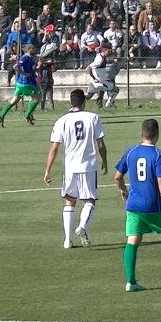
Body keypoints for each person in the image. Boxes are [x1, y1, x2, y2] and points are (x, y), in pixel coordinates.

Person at [114, 119, 161, 292]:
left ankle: (130, 282)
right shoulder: (158, 154)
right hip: (153, 205)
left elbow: (117, 176)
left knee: (133, 240)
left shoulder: (131, 151)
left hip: (133, 206)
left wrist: (123, 190)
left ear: (142, 134)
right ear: (157, 135)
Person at [44, 89, 108, 249]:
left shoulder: (62, 120)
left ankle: (67, 240)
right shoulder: (93, 117)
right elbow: (100, 143)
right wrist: (104, 160)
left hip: (70, 167)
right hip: (88, 166)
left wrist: (48, 170)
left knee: (69, 200)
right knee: (90, 200)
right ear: (84, 102)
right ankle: (82, 227)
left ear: (71, 102)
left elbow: (54, 148)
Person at [0, 44, 41, 127]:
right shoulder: (25, 58)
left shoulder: (31, 58)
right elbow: (16, 67)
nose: (34, 50)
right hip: (26, 83)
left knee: (14, 100)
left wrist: (38, 67)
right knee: (37, 97)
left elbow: (32, 70)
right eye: (33, 48)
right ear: (29, 49)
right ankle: (27, 115)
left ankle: (1, 115)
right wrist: (24, 74)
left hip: (21, 83)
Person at [85, 42, 123, 109]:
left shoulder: (100, 55)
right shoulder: (100, 60)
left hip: (98, 82)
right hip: (100, 82)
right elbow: (88, 68)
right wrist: (94, 78)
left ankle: (75, 103)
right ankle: (108, 105)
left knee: (88, 96)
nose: (109, 52)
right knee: (116, 90)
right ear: (104, 50)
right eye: (108, 51)